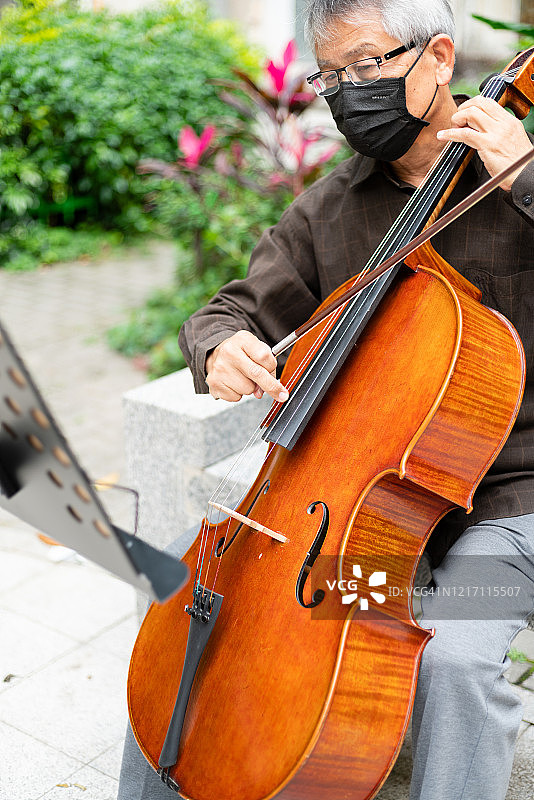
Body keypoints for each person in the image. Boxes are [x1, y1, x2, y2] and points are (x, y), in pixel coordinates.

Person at [118, 2, 534, 798]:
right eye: (331, 76)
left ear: (440, 58)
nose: (348, 92)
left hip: (504, 516)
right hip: (376, 529)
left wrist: (527, 180)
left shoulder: (516, 169)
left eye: (368, 67)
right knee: (205, 616)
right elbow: (223, 312)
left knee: (453, 658)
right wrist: (220, 346)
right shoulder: (331, 208)